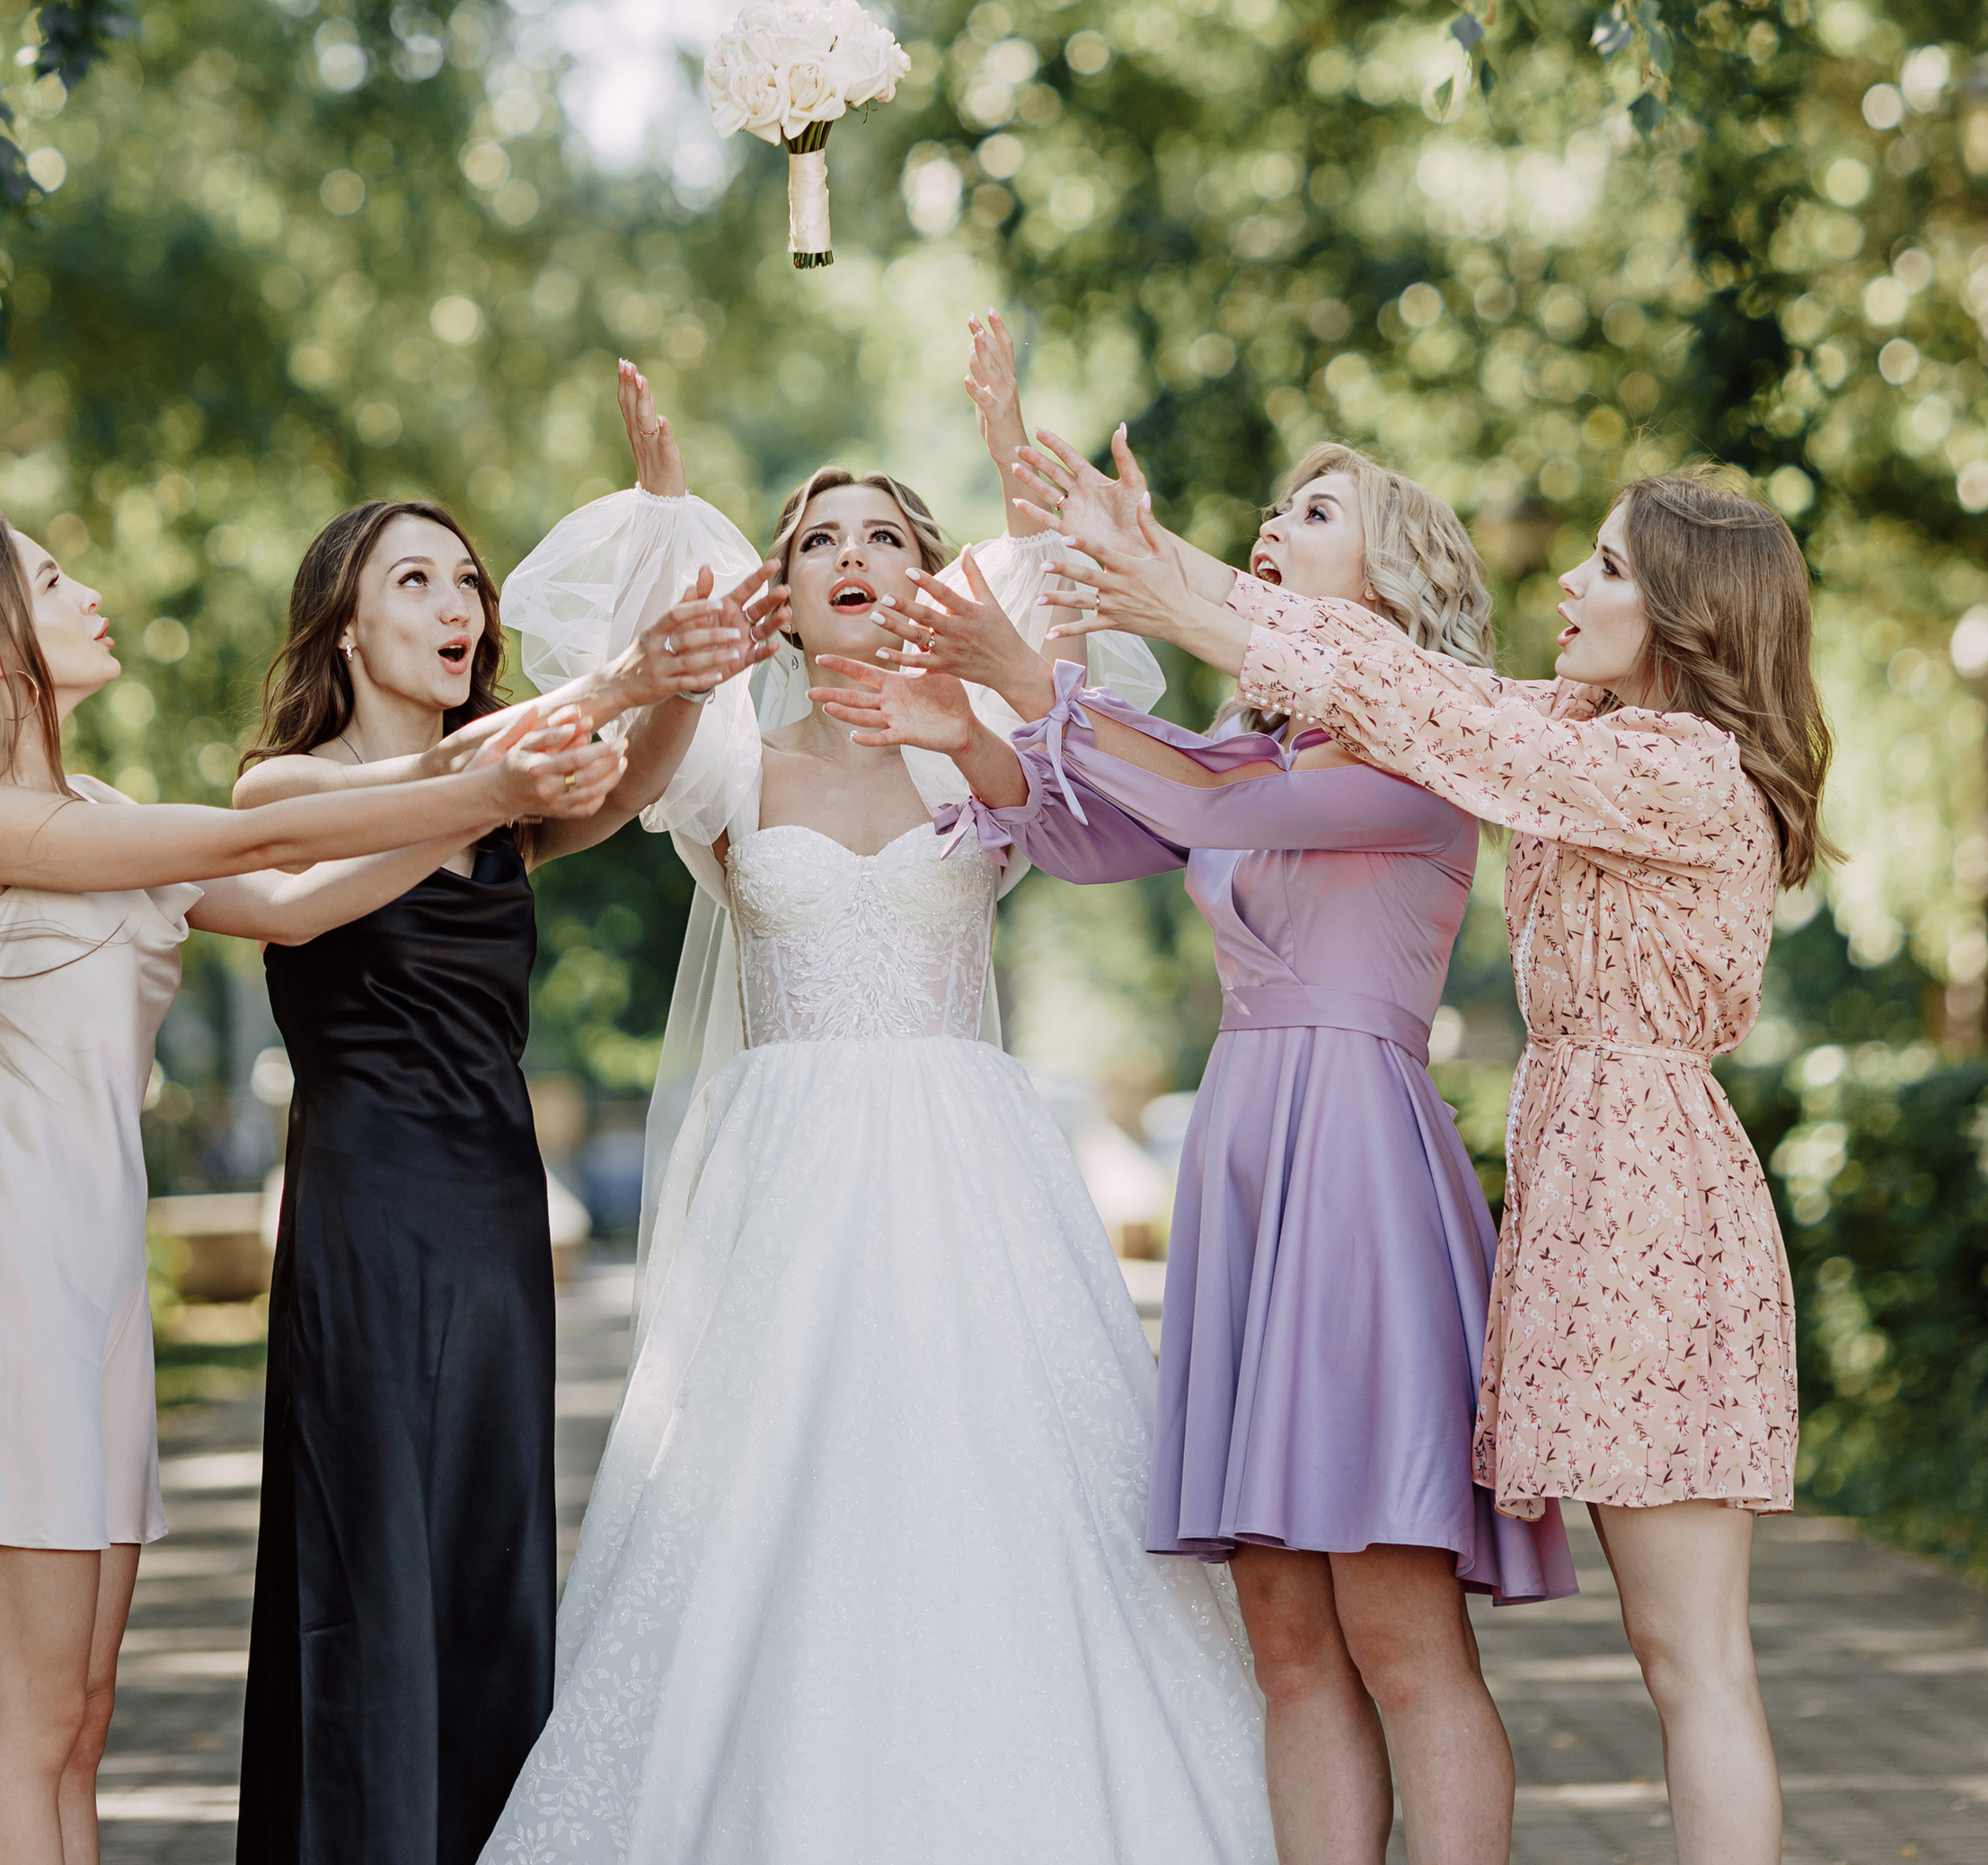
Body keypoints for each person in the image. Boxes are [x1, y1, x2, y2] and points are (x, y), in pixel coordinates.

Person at [476, 332, 1276, 1865]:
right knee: (772, 1492)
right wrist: (663, 516)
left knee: (1000, 1470)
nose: (851, 554)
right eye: (821, 540)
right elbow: (622, 760)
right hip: (784, 1182)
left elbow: (1071, 717)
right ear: (780, 590)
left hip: (966, 1165)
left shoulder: (978, 749)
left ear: (929, 576)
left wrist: (1010, 463)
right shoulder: (724, 762)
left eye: (886, 538)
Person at [1028, 441, 1828, 1865]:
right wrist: (1169, 575)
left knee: (1688, 1654)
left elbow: (1407, 698)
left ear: (1689, 616)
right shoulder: (1576, 736)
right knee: (1664, 1648)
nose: (1570, 586)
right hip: (1573, 1197)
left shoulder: (1683, 774)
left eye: (1608, 568)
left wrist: (1162, 587)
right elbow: (1400, 688)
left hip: (1655, 1201)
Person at [0, 506, 657, 1865]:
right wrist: (501, 783)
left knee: (83, 1719)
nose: (88, 591)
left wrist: (530, 774)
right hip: (15, 1290)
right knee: (22, 1728)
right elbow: (259, 848)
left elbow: (296, 905)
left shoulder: (93, 815)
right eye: (52, 581)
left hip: (94, 1291)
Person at [826, 440, 1573, 1865]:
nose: (1271, 529)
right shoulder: (1261, 751)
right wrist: (987, 706)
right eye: (1272, 506)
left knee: (1399, 1638)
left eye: (1314, 512)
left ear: (1396, 571)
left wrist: (1032, 669)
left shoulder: (1427, 746)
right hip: (1246, 1163)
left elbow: (1207, 810)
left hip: (1353, 1175)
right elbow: (1108, 833)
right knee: (1285, 1643)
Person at [230, 498, 769, 1865]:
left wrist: (684, 668)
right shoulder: (280, 792)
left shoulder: (515, 801)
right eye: (415, 581)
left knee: (486, 1563)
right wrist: (619, 678)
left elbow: (638, 777)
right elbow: (450, 788)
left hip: (495, 1216)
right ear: (343, 626)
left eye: (467, 578)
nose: (459, 604)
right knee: (368, 1567)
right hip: (364, 1206)